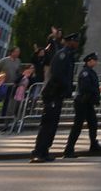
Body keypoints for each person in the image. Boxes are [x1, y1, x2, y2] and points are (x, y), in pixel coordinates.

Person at [31, 32, 78, 163]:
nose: (77, 44)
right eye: (75, 41)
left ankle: (44, 150)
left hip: (58, 94)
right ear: (70, 42)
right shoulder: (63, 54)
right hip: (53, 93)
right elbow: (57, 75)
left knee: (52, 125)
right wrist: (67, 88)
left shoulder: (68, 55)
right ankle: (38, 152)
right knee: (48, 124)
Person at [62, 52, 101, 157]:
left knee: (93, 123)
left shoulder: (90, 72)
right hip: (82, 102)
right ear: (89, 61)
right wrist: (96, 91)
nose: (95, 62)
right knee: (77, 126)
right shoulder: (85, 73)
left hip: (88, 102)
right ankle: (69, 149)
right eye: (94, 60)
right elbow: (86, 87)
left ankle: (94, 144)